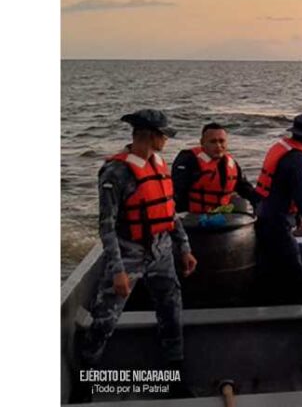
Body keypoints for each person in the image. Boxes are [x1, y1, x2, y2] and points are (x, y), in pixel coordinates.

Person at [79, 110, 197, 389]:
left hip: (162, 252)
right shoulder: (115, 172)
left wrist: (184, 248)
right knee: (104, 321)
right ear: (151, 136)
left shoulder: (159, 163)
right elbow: (107, 227)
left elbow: (169, 212)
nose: (167, 140)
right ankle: (85, 380)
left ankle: (175, 376)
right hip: (128, 254)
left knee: (171, 311)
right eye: (164, 135)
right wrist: (118, 271)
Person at [254, 113, 302, 304]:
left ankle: (270, 299)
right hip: (277, 219)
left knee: (271, 262)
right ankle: (294, 305)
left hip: (265, 213)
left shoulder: (283, 147)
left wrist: (298, 216)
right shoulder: (298, 160)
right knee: (293, 269)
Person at [172, 122, 261, 214]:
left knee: (242, 202)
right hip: (192, 216)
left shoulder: (231, 164)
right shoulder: (188, 160)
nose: (218, 146)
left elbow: (244, 188)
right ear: (202, 143)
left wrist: (259, 201)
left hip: (221, 214)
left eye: (221, 141)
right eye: (213, 142)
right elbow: (178, 193)